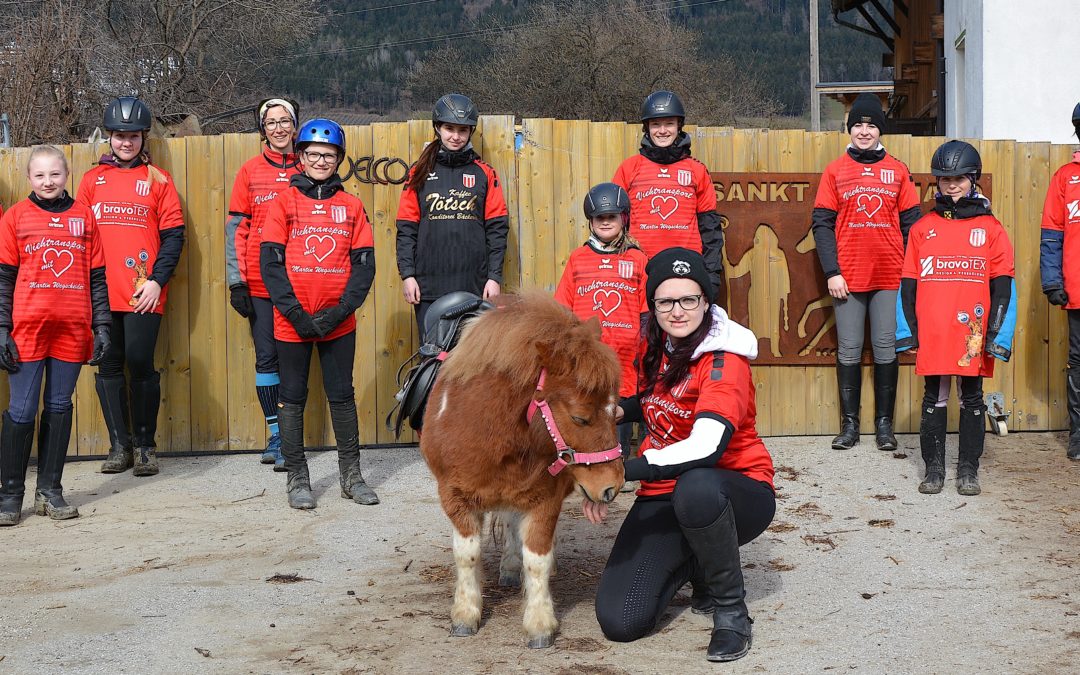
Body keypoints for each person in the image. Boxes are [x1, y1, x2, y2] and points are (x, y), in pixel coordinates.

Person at [586, 247, 775, 663]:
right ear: (653, 306)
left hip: (732, 492)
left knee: (698, 485)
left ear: (706, 302)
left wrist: (619, 471)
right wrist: (619, 410)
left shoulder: (725, 359)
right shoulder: (660, 344)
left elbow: (708, 445)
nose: (677, 310)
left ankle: (731, 612)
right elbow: (658, 399)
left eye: (689, 299)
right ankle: (698, 562)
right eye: (665, 301)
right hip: (663, 493)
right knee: (621, 621)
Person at [260, 117, 378, 510]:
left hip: (338, 324)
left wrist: (340, 311)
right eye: (313, 154)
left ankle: (351, 477)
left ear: (339, 158)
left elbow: (365, 267)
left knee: (342, 396)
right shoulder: (284, 203)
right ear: (301, 157)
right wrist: (295, 313)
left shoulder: (352, 207)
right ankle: (297, 480)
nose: (321, 161)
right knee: (292, 397)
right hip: (291, 323)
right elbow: (270, 265)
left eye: (328, 155)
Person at [896, 140, 1015, 496]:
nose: (952, 185)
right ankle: (934, 470)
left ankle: (968, 470)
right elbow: (907, 285)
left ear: (973, 179)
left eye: (959, 178)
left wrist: (998, 335)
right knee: (935, 396)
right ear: (937, 181)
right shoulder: (922, 228)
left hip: (972, 334)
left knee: (973, 398)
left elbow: (1004, 287)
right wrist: (908, 332)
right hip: (934, 331)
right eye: (945, 179)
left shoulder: (992, 229)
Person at [0, 145, 111, 525]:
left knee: (60, 406)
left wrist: (102, 326)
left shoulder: (85, 217)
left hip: (71, 329)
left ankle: (50, 491)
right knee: (22, 410)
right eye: (40, 175)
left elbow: (98, 278)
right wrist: (1, 329)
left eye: (55, 174)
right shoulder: (15, 218)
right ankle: (10, 495)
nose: (48, 181)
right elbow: (3, 279)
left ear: (67, 176)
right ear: (29, 178)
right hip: (27, 330)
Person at [77, 96, 186, 477]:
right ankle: (119, 446)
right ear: (110, 136)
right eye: (120, 135)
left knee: (140, 363)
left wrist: (158, 281)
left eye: (134, 136)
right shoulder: (92, 181)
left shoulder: (159, 180)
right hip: (101, 292)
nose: (126, 142)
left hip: (143, 290)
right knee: (107, 364)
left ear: (143, 138)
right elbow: (82, 238)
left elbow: (174, 237)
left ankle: (145, 446)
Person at [810, 92, 922, 451]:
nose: (863, 130)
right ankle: (850, 426)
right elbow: (822, 225)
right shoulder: (835, 170)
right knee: (849, 349)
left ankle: (885, 427)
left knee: (887, 348)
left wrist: (910, 275)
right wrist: (832, 271)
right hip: (848, 278)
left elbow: (912, 228)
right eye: (858, 124)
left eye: (871, 124)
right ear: (850, 127)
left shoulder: (898, 170)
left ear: (880, 130)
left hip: (890, 275)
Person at [225, 97, 302, 470]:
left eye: (285, 121)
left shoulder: (309, 166)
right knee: (267, 358)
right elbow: (236, 229)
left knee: (295, 361)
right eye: (271, 122)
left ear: (295, 125)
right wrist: (236, 280)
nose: (279, 128)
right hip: (259, 284)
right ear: (262, 129)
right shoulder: (250, 172)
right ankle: (276, 434)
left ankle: (292, 434)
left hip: (303, 282)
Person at [395, 93, 509, 336]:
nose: (455, 136)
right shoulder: (418, 172)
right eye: (449, 128)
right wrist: (408, 275)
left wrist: (494, 278)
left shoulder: (485, 173)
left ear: (470, 132)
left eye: (462, 130)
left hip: (474, 287)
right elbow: (406, 230)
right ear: (437, 127)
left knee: (473, 365)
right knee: (433, 360)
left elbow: (497, 230)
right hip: (428, 288)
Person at [554, 182, 649, 457]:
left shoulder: (637, 259)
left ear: (624, 218)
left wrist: (644, 347)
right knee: (599, 413)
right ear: (591, 222)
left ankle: (639, 467)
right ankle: (607, 464)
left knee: (628, 406)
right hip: (590, 356)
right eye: (600, 218)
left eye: (612, 217)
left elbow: (646, 311)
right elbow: (564, 309)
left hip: (628, 355)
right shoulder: (578, 258)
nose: (606, 222)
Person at [613, 90, 723, 288]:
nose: (662, 131)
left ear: (679, 126)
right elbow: (614, 224)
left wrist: (712, 276)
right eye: (656, 124)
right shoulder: (629, 168)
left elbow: (710, 231)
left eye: (669, 124)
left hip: (686, 268)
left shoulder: (697, 170)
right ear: (647, 128)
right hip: (640, 268)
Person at [1039, 102, 1080, 460]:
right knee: (1079, 361)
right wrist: (1052, 280)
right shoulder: (1065, 178)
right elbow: (1051, 235)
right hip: (1077, 290)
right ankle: (1079, 435)